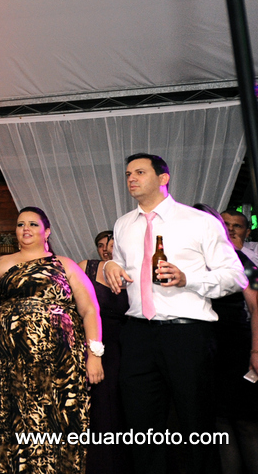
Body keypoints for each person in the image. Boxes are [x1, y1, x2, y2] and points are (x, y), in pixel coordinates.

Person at [104, 153, 246, 474]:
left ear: (163, 178)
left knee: (195, 423)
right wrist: (112, 265)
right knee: (140, 426)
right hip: (137, 331)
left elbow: (235, 276)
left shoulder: (199, 222)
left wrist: (188, 278)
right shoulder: (123, 224)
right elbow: (127, 267)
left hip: (187, 333)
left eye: (140, 172)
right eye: (128, 173)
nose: (131, 179)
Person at [0, 206, 102, 474]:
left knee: (60, 418)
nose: (25, 229)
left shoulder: (65, 264)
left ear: (47, 231)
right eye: (21, 224)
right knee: (15, 420)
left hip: (61, 361)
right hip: (11, 361)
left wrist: (95, 355)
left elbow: (90, 310)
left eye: (33, 224)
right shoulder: (0, 264)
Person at [77, 231, 132, 474]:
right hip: (95, 344)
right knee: (98, 406)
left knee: (125, 406)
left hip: (127, 344)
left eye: (110, 244)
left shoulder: (133, 270)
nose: (105, 249)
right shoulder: (86, 268)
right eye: (100, 245)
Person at [211, 206, 258, 474]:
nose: (228, 229)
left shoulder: (239, 259)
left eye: (234, 225)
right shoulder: (204, 259)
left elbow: (256, 307)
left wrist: (256, 350)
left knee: (247, 422)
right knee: (221, 424)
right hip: (212, 349)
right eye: (224, 224)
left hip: (239, 347)